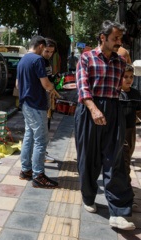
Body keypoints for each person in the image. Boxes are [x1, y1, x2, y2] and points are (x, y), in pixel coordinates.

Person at [75, 20, 135, 230]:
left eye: (120, 38)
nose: (119, 41)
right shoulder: (86, 58)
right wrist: (94, 109)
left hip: (113, 109)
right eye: (115, 38)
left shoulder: (119, 61)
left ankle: (118, 211)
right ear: (103, 37)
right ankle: (88, 197)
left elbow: (121, 87)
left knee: (115, 158)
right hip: (89, 109)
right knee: (89, 157)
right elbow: (83, 89)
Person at [16, 35, 58, 189]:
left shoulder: (23, 60)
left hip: (26, 104)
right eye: (45, 50)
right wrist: (52, 88)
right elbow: (46, 84)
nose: (46, 54)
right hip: (35, 104)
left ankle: (26, 170)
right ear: (41, 46)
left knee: (29, 136)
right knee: (41, 140)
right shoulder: (37, 60)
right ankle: (38, 176)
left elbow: (17, 84)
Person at [119, 64, 140, 210]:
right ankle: (124, 196)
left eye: (131, 77)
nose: (129, 80)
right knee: (120, 164)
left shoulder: (136, 94)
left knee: (126, 163)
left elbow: (139, 112)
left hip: (130, 132)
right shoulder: (114, 94)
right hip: (115, 132)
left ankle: (126, 196)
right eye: (125, 76)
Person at [41, 38, 57, 163]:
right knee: (42, 128)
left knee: (47, 125)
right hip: (41, 100)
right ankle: (41, 155)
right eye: (47, 51)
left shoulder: (47, 62)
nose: (49, 54)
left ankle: (43, 153)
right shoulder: (39, 61)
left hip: (47, 98)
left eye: (51, 52)